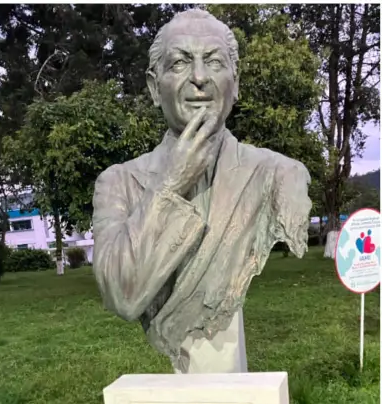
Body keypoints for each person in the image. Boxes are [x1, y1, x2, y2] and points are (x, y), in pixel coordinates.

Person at [92, 9, 312, 373]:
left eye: (213, 62)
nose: (199, 78)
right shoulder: (118, 183)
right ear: (153, 86)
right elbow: (121, 295)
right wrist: (171, 185)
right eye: (179, 63)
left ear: (236, 82)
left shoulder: (279, 175)